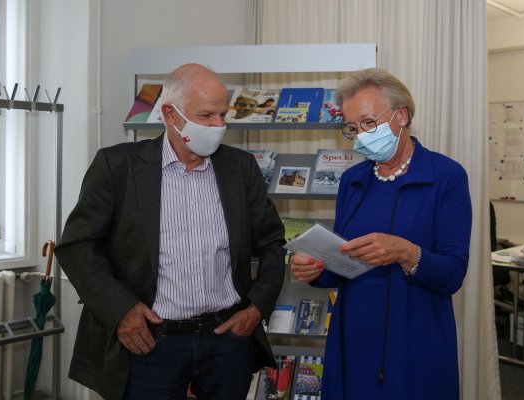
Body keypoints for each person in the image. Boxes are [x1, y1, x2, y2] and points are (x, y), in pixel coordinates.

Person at [55, 63, 287, 400]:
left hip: (227, 339)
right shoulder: (118, 167)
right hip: (150, 342)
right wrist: (120, 310)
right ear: (169, 114)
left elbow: (272, 241)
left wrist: (256, 307)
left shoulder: (240, 167)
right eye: (206, 115)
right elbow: (78, 246)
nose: (218, 126)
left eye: (223, 115)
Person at [290, 68, 472, 399]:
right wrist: (315, 270)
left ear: (401, 116)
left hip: (415, 339)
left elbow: (453, 274)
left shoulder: (446, 176)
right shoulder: (353, 180)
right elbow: (346, 261)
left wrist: (406, 253)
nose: (360, 136)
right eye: (352, 127)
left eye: (369, 123)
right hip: (352, 337)